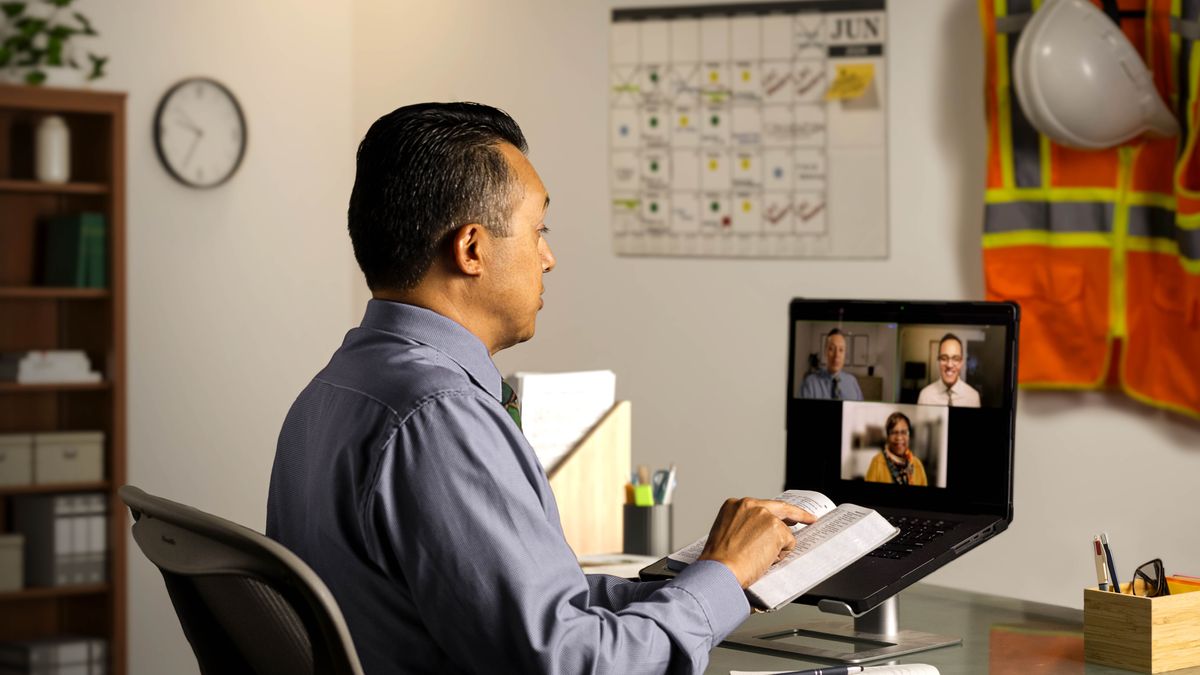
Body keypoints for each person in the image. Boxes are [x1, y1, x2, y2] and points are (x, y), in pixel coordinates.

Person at [265, 102, 814, 674]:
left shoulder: (339, 386)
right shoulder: (440, 419)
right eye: (539, 230)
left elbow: (530, 611)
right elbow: (570, 665)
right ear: (472, 248)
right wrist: (721, 578)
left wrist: (711, 581)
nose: (548, 258)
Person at [864, 412, 928, 486]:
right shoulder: (877, 462)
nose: (899, 438)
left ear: (909, 436)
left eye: (903, 432)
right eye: (894, 432)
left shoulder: (917, 464)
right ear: (887, 437)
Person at [917, 333, 981, 407]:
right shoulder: (925, 396)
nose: (949, 365)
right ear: (938, 361)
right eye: (944, 358)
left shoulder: (973, 397)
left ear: (961, 363)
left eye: (956, 359)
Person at [799, 329, 863, 400]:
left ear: (845, 354)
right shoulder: (810, 383)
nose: (837, 355)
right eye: (831, 349)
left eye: (841, 350)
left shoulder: (852, 382)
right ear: (825, 352)